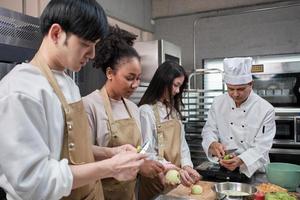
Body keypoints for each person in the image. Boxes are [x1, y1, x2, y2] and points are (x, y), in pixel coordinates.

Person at [0, 1, 146, 199]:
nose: (93, 54)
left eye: (95, 45)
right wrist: (109, 168)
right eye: (86, 44)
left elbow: (73, 151)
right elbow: (33, 181)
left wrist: (110, 153)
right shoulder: (21, 90)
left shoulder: (69, 85)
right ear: (56, 34)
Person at [83, 25, 165, 200]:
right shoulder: (90, 105)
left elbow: (143, 148)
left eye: (138, 78)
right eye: (129, 78)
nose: (135, 85)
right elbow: (84, 155)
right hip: (100, 194)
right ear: (110, 73)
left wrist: (158, 165)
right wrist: (133, 164)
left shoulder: (133, 108)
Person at [202, 57, 276, 177]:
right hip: (225, 169)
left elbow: (263, 145)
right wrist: (212, 144)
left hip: (254, 171)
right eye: (230, 89)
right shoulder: (218, 102)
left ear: (251, 84)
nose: (235, 94)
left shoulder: (266, 109)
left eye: (241, 89)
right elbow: (209, 130)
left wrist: (242, 159)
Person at [138, 61, 201, 200]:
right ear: (163, 82)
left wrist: (187, 166)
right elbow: (146, 152)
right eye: (176, 85)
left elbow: (182, 145)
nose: (178, 91)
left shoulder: (174, 111)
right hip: (155, 179)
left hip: (175, 179)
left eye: (180, 86)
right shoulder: (146, 112)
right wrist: (169, 168)